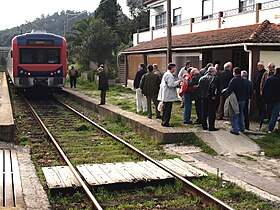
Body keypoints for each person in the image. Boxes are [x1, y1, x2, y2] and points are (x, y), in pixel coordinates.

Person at [158, 63, 182, 127]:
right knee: (167, 109)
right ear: (172, 68)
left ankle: (164, 121)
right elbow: (171, 84)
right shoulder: (169, 75)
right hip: (168, 95)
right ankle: (166, 122)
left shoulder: (167, 74)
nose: (175, 69)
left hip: (166, 94)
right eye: (174, 68)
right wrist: (178, 82)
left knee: (165, 109)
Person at [226, 67, 248, 135]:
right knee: (241, 113)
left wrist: (226, 96)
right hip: (243, 99)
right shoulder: (244, 80)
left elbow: (229, 89)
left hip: (235, 99)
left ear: (234, 72)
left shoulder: (233, 80)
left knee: (234, 114)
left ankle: (235, 129)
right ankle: (241, 127)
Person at [198, 66, 219, 131]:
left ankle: (204, 126)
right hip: (210, 97)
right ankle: (211, 127)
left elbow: (199, 87)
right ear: (213, 71)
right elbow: (213, 87)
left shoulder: (202, 78)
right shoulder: (213, 78)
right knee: (211, 112)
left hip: (203, 97)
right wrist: (213, 95)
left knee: (204, 111)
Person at [263, 67, 280, 133]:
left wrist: (264, 98)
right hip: (277, 100)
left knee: (269, 113)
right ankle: (270, 129)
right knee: (274, 115)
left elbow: (265, 89)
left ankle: (267, 125)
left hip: (269, 99)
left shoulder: (269, 79)